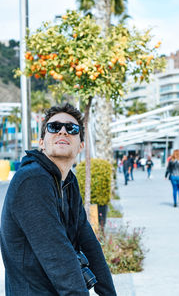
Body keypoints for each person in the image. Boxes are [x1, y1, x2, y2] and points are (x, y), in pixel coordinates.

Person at [0, 103, 117, 296]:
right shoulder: (32, 180)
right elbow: (59, 258)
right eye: (54, 127)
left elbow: (89, 243)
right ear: (41, 142)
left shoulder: (68, 182)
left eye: (71, 129)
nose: (63, 132)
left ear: (81, 145)